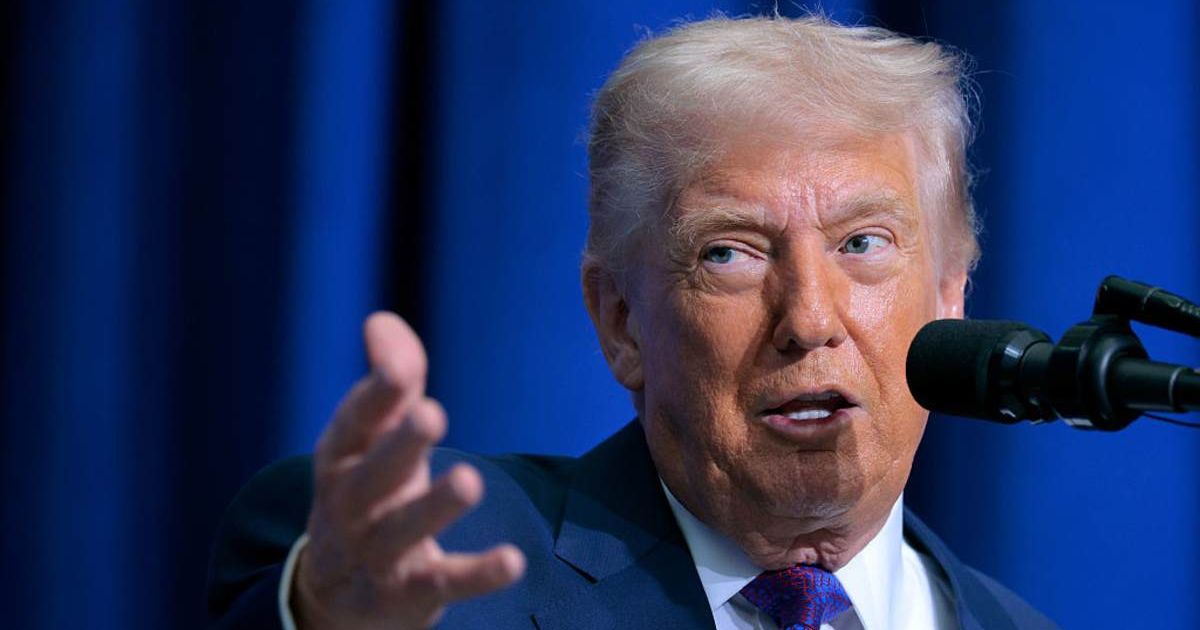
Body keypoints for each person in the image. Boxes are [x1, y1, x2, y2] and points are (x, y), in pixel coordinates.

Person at [207, 15, 1056, 629]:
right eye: (730, 253)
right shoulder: (443, 564)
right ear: (620, 321)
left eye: (863, 243)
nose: (809, 318)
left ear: (951, 297)